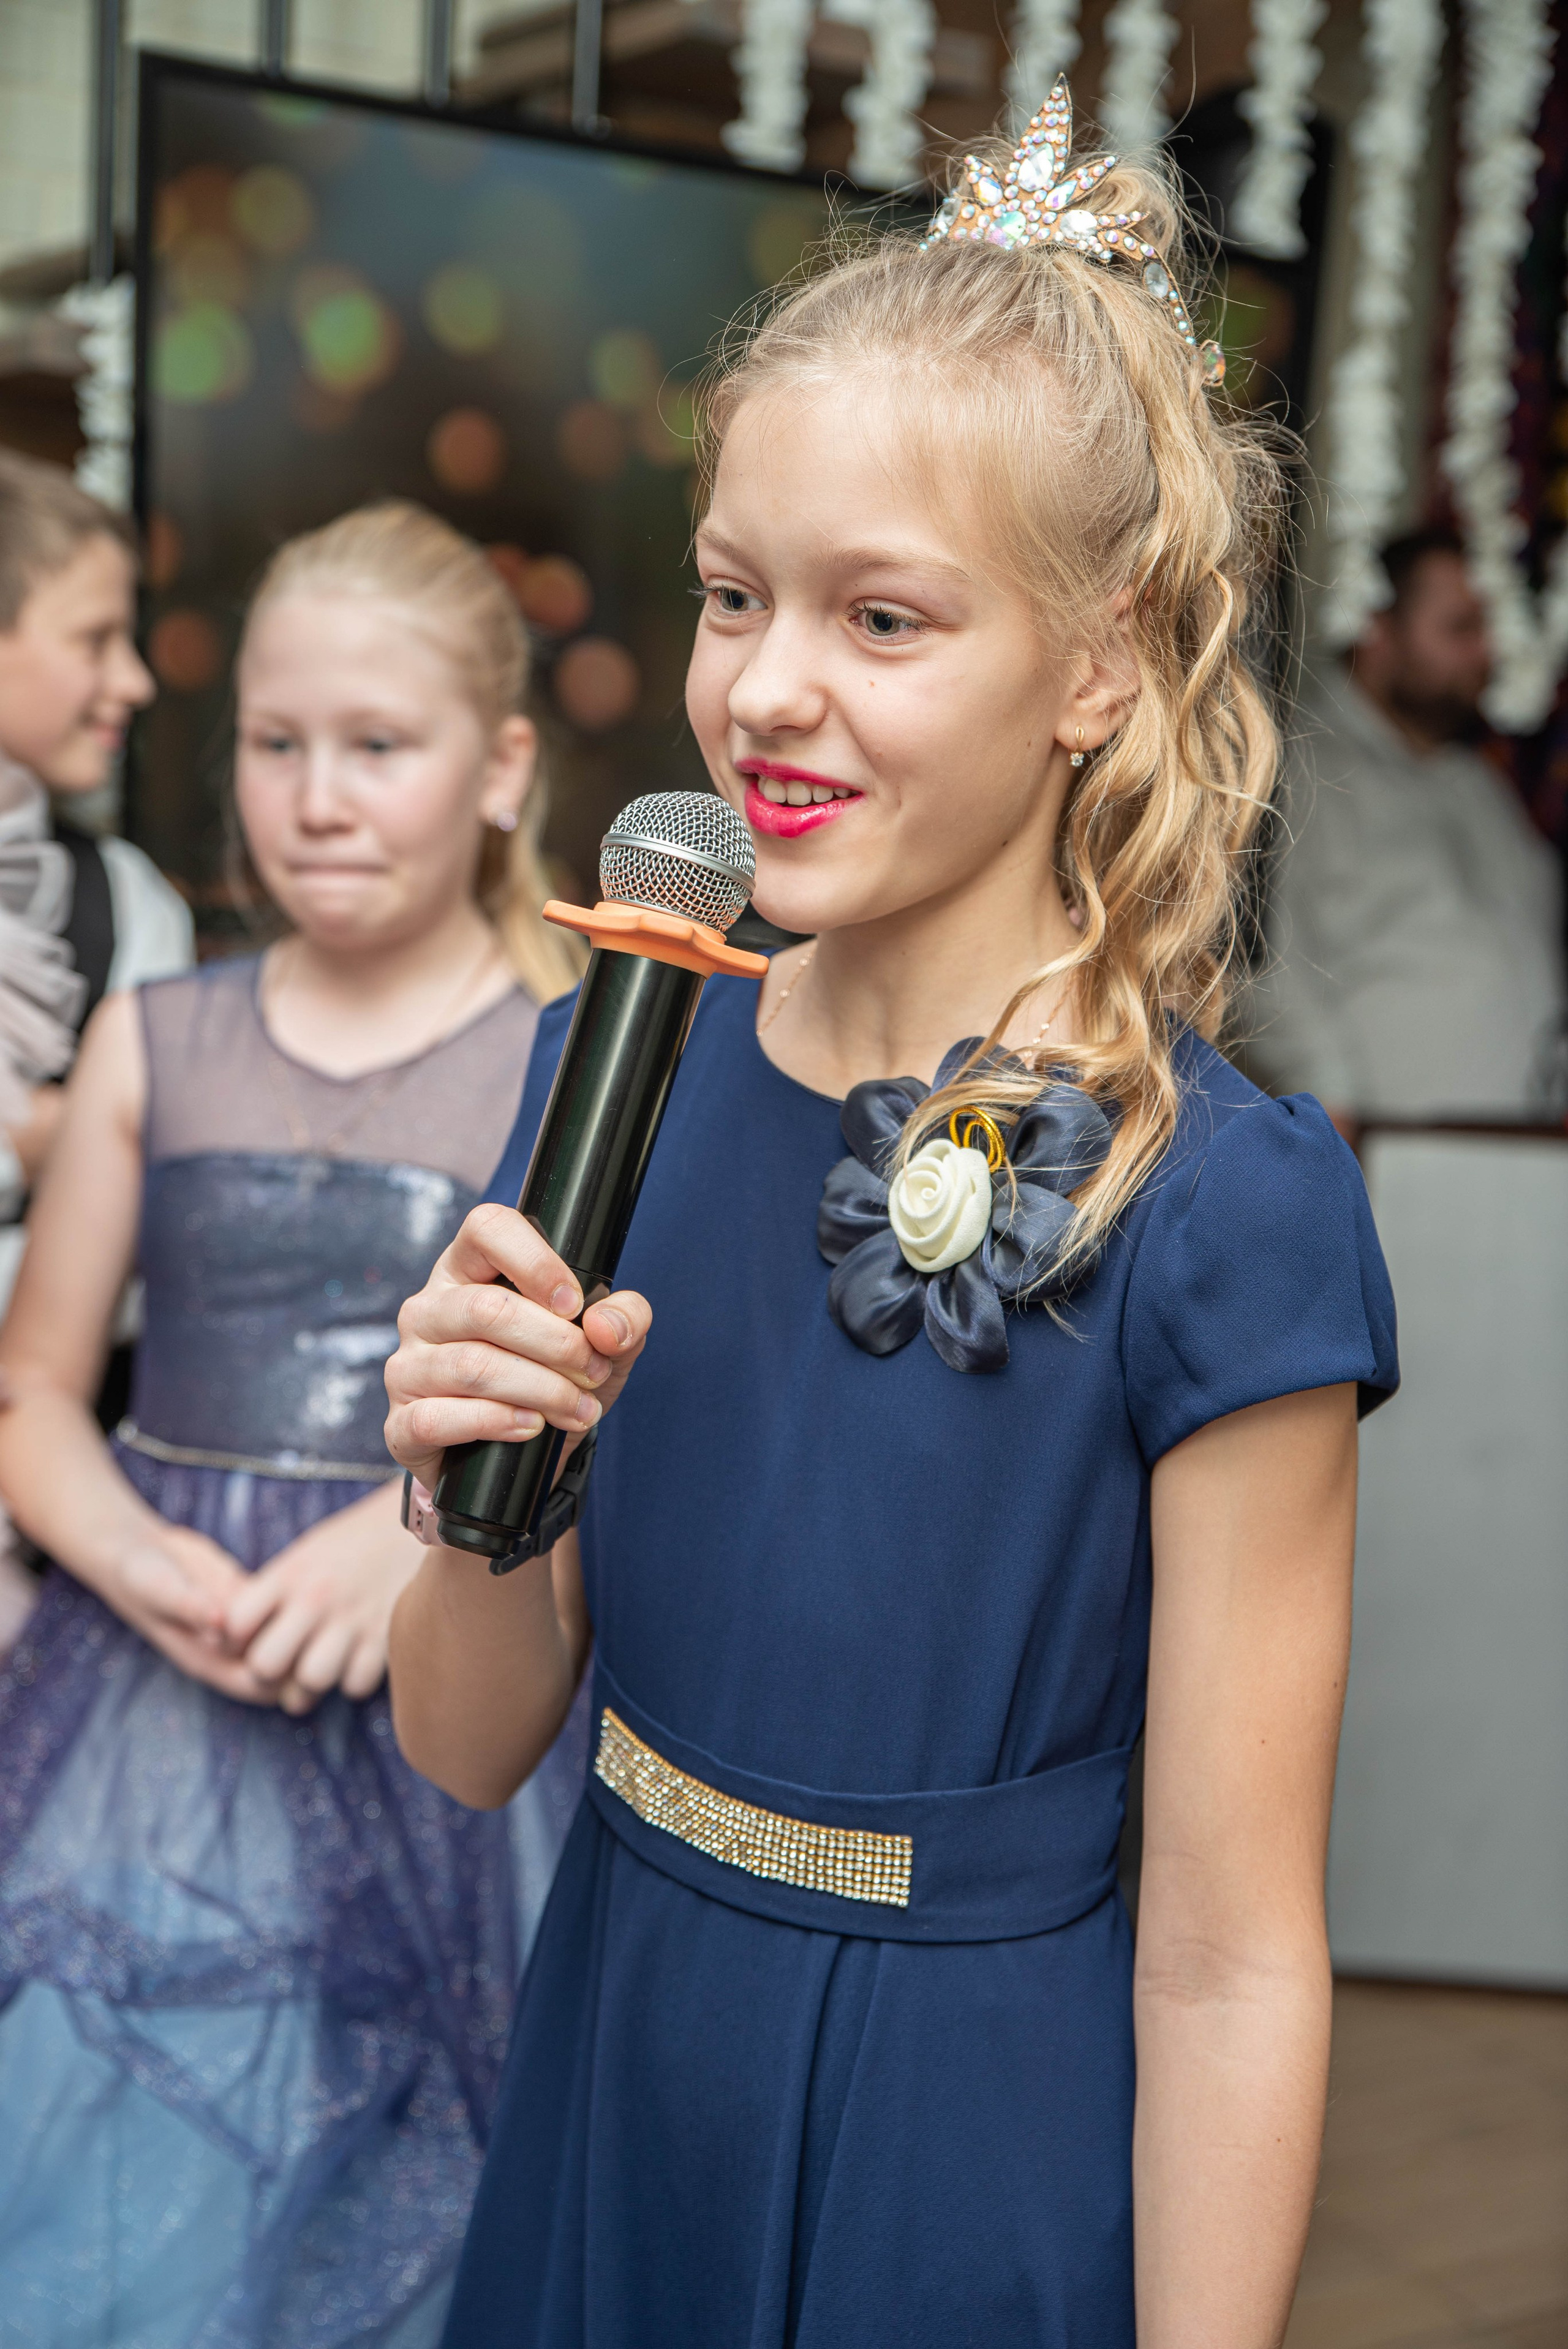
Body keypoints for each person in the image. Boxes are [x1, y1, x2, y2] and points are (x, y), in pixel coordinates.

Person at [384, 85, 1398, 2349]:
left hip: (960, 2143)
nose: (763, 687)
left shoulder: (1220, 1207)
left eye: (881, 616)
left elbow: (1232, 1947)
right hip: (614, 2065)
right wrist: (465, 1492)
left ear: (1101, 662)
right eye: (733, 593)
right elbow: (465, 1739)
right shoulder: (603, 1065)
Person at [0, 502, 587, 2345]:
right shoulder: (155, 1035)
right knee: (118, 2191)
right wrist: (135, 1558)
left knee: (416, 2192)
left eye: (377, 749)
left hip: (443, 1711)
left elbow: (614, 1423)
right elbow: (27, 1389)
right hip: (144, 1714)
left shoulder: (574, 1060)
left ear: (498, 772)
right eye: (274, 745)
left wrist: (401, 1541)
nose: (316, 798)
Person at [0, 451, 195, 1646]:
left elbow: (146, 1213)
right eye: (94, 637)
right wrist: (46, 1129)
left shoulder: (125, 904)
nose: (131, 680)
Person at [1248, 525, 1566, 1125]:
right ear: (1375, 630)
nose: (1486, 653)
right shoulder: (1297, 766)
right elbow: (1258, 959)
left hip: (1524, 1147)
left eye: (1489, 628)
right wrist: (1332, 1102)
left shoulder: (1478, 783)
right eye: (1459, 628)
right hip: (1383, 1152)